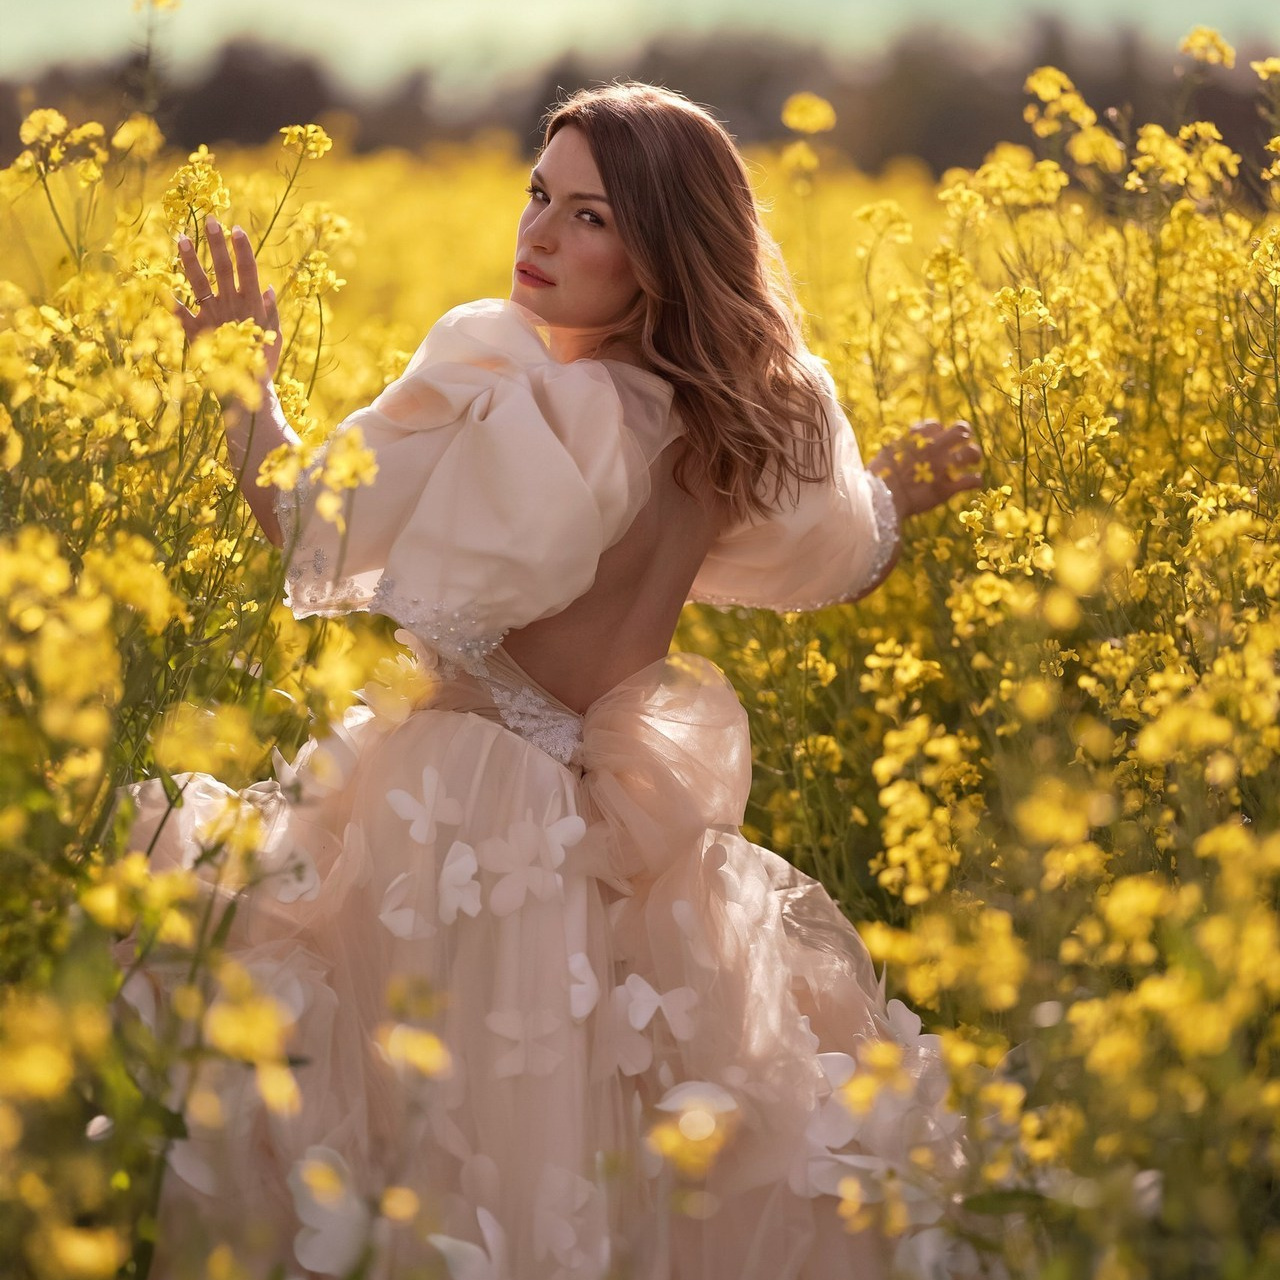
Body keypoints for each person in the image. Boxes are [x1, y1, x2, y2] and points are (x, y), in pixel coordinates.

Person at [135, 82, 985, 1280]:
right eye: (541, 194)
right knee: (625, 1159)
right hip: (614, 819)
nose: (538, 233)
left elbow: (306, 520)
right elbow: (837, 551)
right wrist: (890, 495)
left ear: (656, 251)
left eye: (589, 215)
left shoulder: (546, 405)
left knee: (403, 1133)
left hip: (466, 815)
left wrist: (241, 380)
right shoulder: (725, 425)